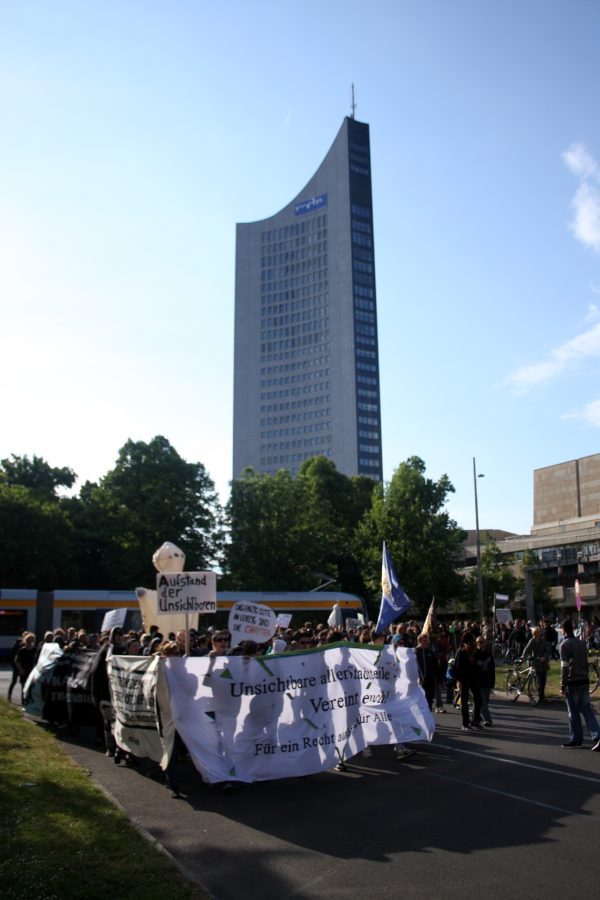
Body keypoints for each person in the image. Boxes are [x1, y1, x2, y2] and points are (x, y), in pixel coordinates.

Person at [559, 619, 600, 749]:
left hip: (573, 682)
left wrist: (562, 685)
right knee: (587, 709)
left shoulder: (564, 645)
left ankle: (576, 739)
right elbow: (585, 664)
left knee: (573, 712)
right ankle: (597, 735)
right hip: (584, 681)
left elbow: (564, 667)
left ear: (563, 630)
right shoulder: (582, 643)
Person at [453, 632, 482, 731]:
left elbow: (477, 664)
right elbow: (456, 668)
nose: (474, 642)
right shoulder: (461, 652)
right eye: (472, 640)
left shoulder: (475, 651)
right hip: (464, 679)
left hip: (474, 678)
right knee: (464, 701)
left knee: (478, 698)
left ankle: (476, 720)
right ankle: (465, 723)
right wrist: (458, 680)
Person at [522, 626, 550, 701]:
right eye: (535, 633)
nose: (536, 634)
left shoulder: (542, 641)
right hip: (536, 662)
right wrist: (523, 656)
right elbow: (527, 649)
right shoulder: (532, 640)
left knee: (543, 679)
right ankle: (539, 695)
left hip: (543, 662)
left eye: (538, 633)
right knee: (538, 679)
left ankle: (542, 694)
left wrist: (544, 657)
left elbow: (546, 650)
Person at [474, 635, 495, 725]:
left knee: (484, 702)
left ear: (485, 643)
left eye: (481, 642)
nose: (479, 644)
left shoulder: (488, 655)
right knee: (482, 702)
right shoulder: (474, 654)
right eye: (477, 642)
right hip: (478, 682)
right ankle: (487, 719)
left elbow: (492, 669)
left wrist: (492, 683)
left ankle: (476, 718)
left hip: (487, 682)